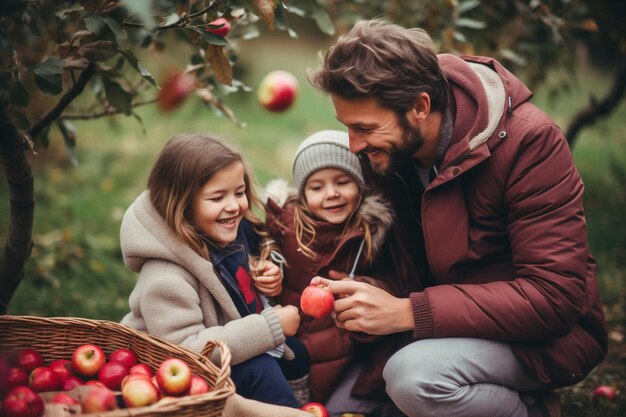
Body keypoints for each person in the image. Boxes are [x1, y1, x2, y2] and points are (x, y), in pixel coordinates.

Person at [307, 19, 608, 417]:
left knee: (413, 378)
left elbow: (555, 299)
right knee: (343, 404)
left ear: (419, 107)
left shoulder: (531, 143)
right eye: (346, 127)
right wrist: (372, 291)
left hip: (543, 338)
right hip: (446, 324)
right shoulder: (388, 153)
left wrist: (407, 312)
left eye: (364, 128)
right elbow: (419, 263)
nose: (353, 144)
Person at [119, 133, 308, 408]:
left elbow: (260, 247)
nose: (233, 206)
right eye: (217, 197)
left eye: (239, 192)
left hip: (228, 350)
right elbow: (184, 352)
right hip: (181, 378)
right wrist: (270, 326)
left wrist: (269, 271)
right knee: (260, 370)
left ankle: (304, 408)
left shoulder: (224, 232)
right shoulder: (165, 280)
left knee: (296, 353)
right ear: (182, 205)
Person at [265, 130, 411, 415]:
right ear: (303, 194)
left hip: (345, 356)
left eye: (342, 182)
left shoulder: (371, 235)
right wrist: (266, 267)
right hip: (291, 355)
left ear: (361, 184)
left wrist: (369, 287)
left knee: (335, 409)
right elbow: (262, 247)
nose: (331, 193)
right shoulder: (287, 228)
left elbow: (398, 281)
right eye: (316, 187)